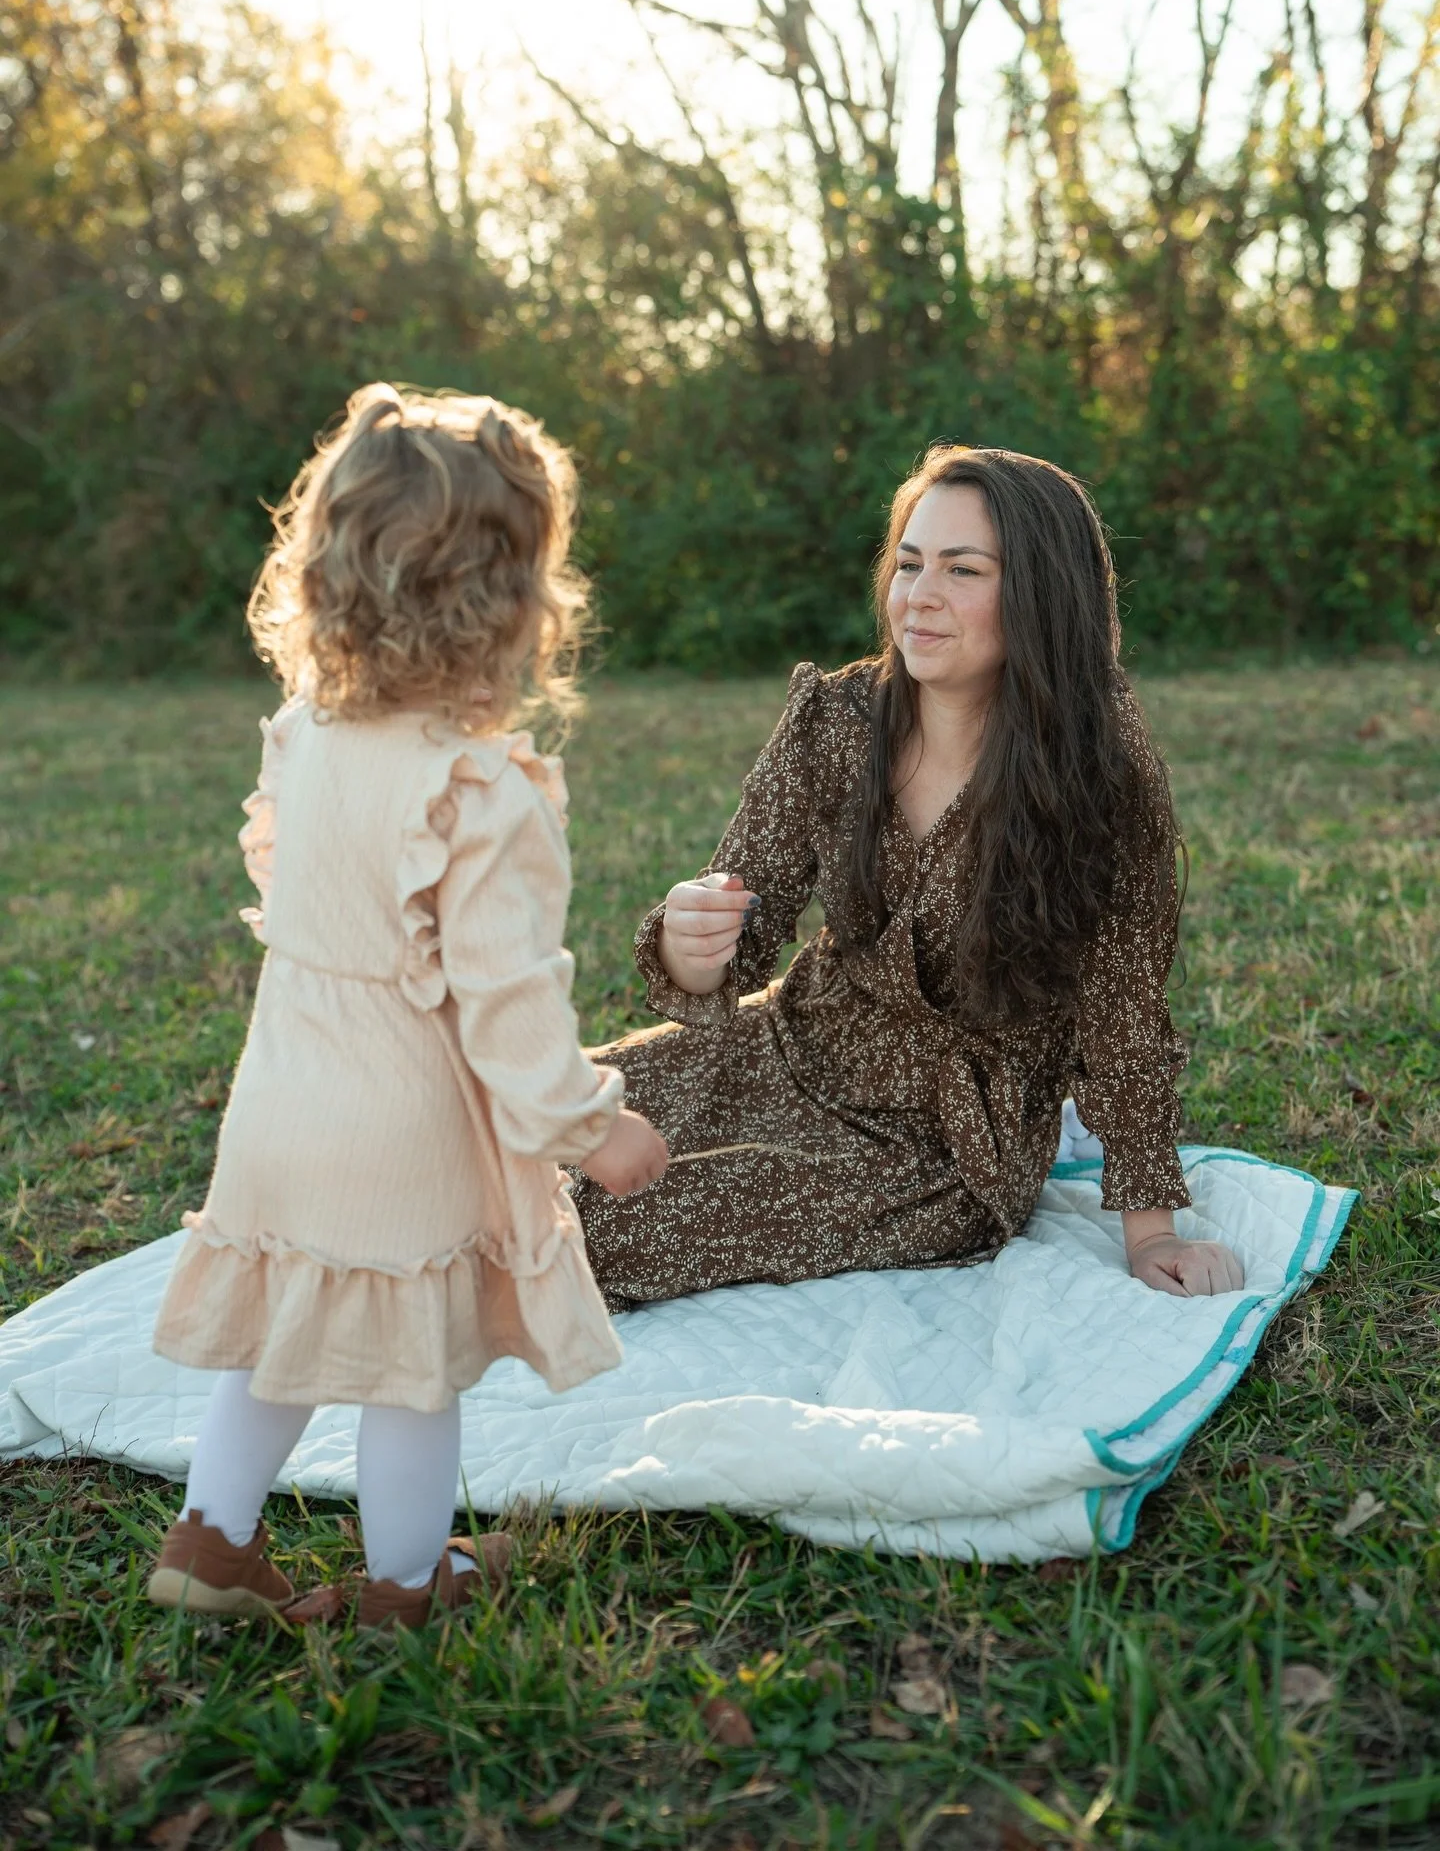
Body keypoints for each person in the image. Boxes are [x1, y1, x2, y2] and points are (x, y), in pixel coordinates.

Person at [146, 384, 667, 1629]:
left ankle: (209, 1545)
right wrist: (593, 1126)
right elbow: (506, 999)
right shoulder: (482, 793)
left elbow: (304, 894)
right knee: (408, 1375)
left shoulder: (304, 738)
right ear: (514, 602)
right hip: (399, 1126)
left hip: (281, 1101)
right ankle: (405, 1586)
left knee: (289, 1329)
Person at [571, 444, 1244, 1309]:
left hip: (942, 1141)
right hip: (793, 1045)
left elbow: (1123, 1020)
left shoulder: (1101, 779)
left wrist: (1152, 1233)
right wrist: (687, 935)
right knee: (505, 1128)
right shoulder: (837, 720)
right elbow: (733, 941)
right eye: (910, 563)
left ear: (1040, 594)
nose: (919, 597)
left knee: (602, 1223)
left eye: (963, 570)